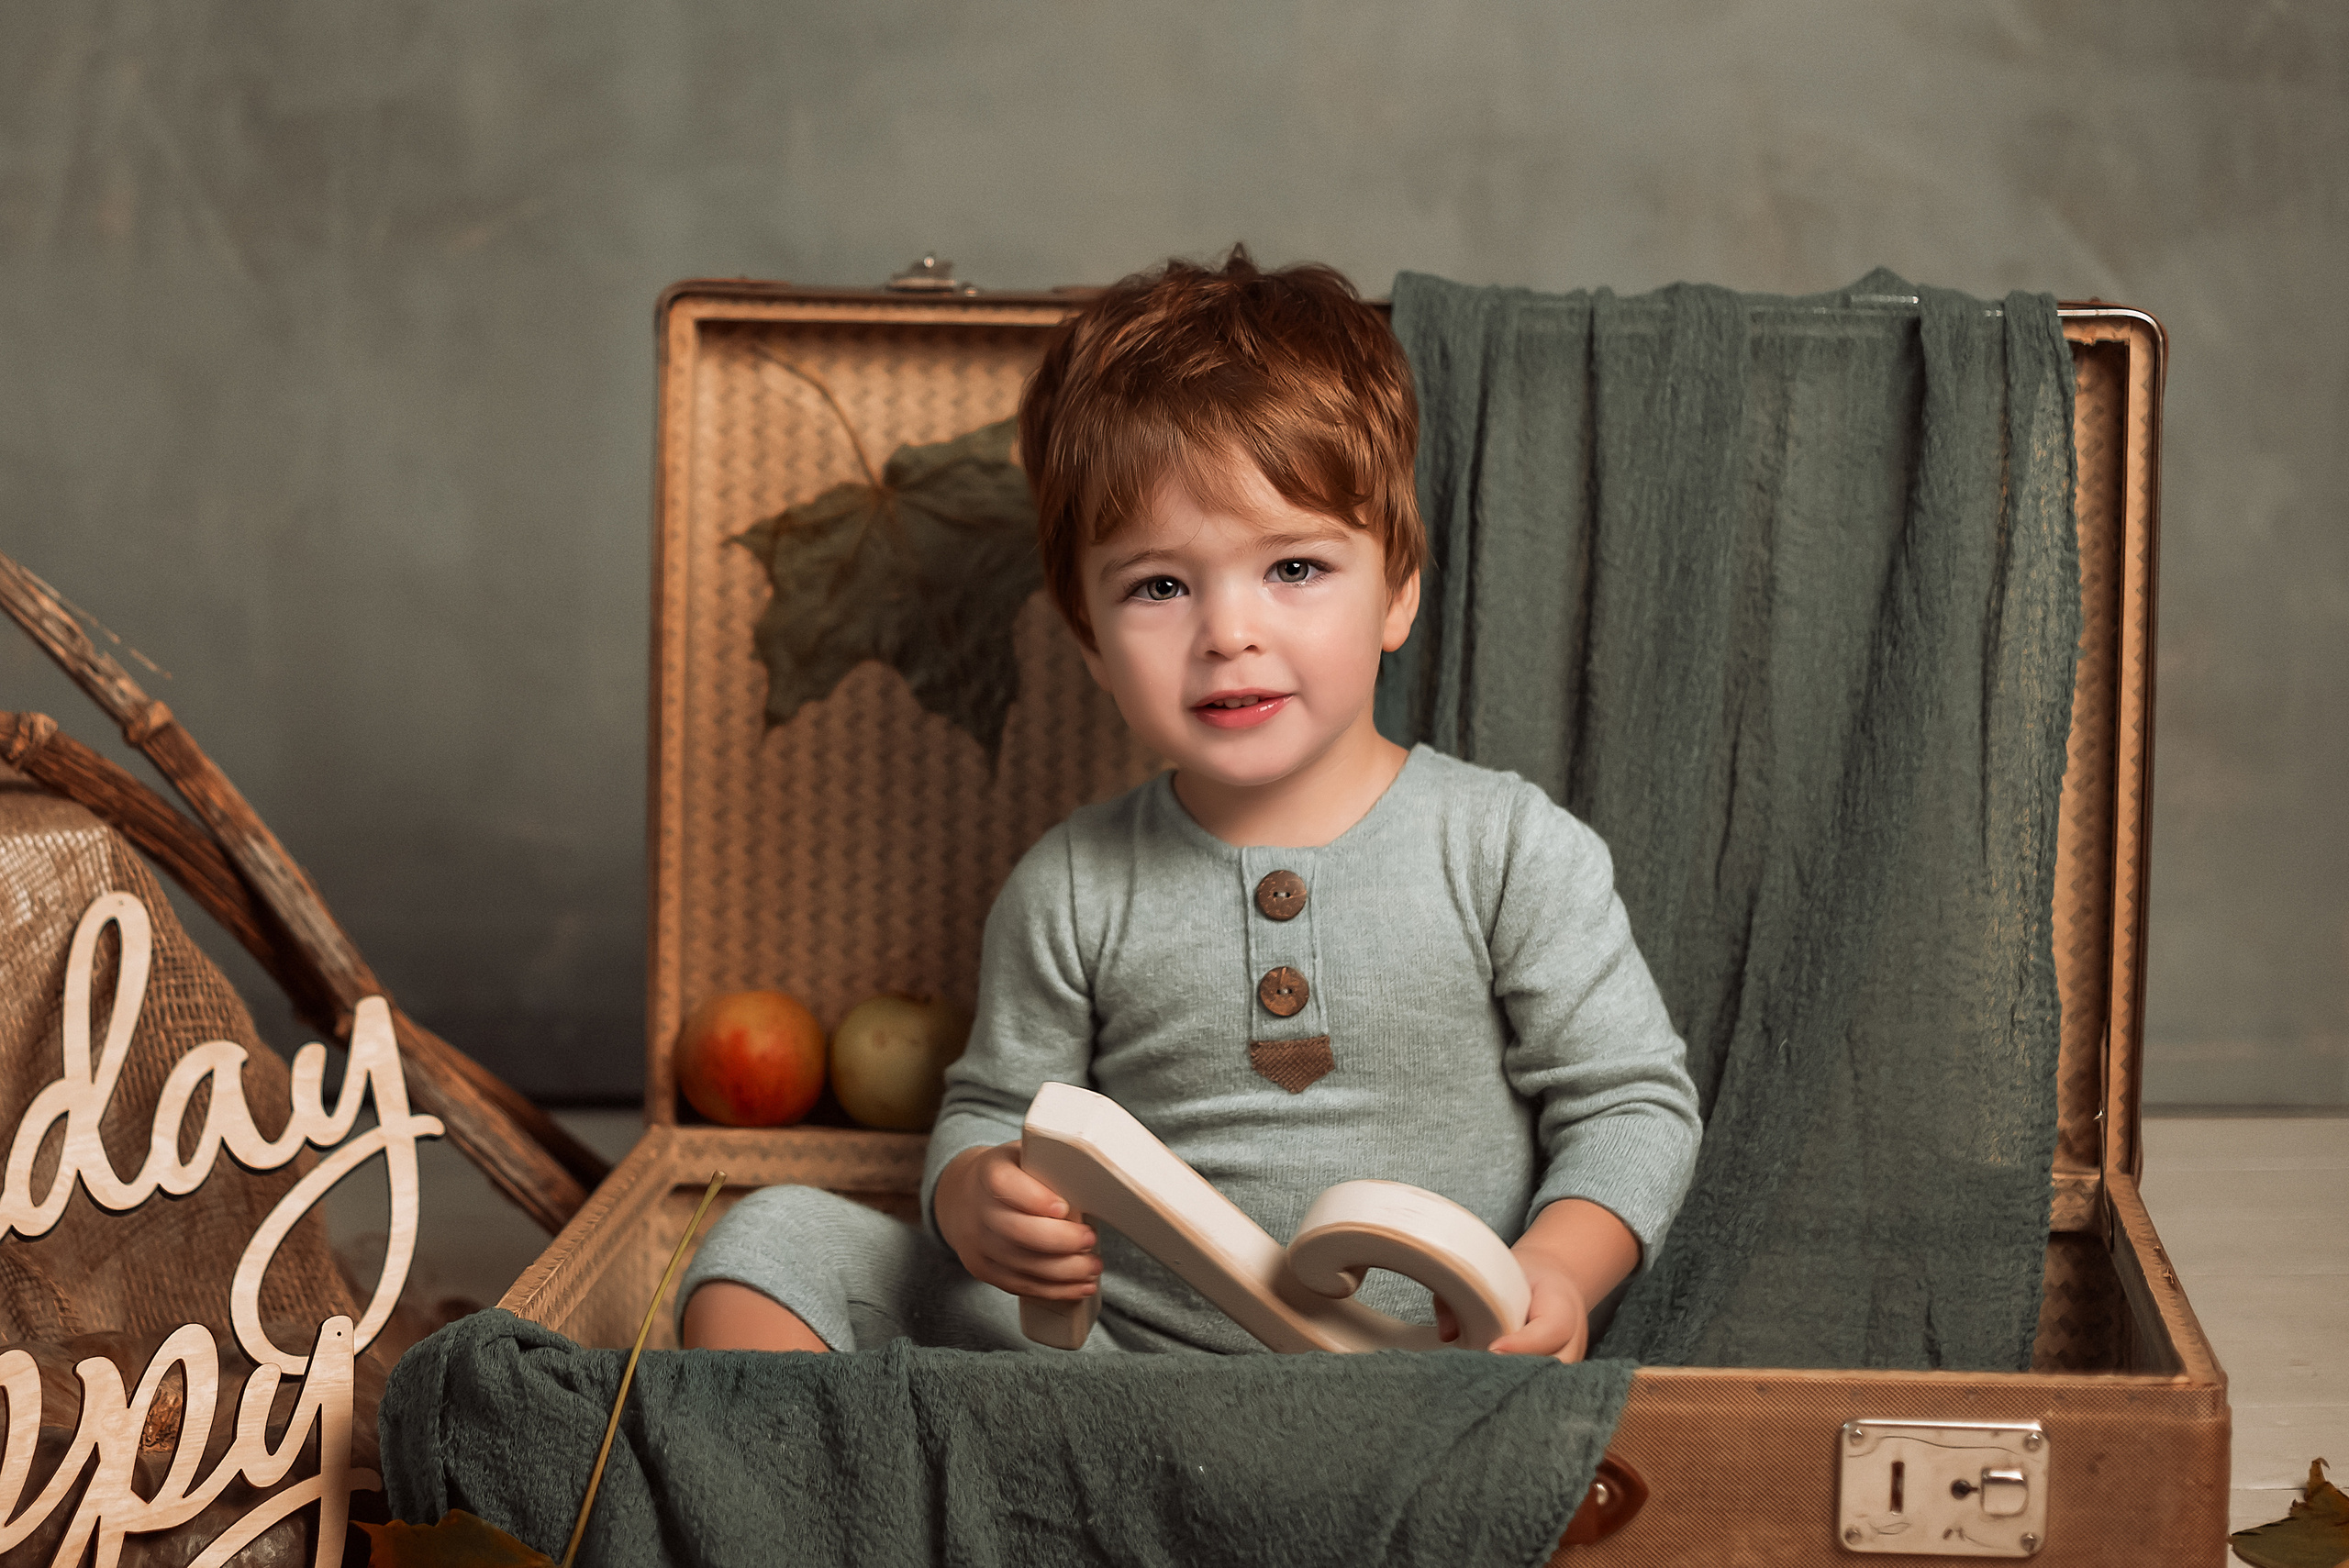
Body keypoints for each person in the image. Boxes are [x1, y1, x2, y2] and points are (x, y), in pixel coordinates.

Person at [680, 249, 1700, 1360]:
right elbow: (988, 1107)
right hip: (1127, 1381)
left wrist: (1556, 1267)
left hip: (1441, 1381)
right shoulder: (1072, 884)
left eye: (1295, 568)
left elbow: (1629, 1107)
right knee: (766, 1239)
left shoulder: (1507, 847)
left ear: (1398, 588)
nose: (1227, 631)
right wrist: (977, 1199)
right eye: (1160, 586)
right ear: (1092, 643)